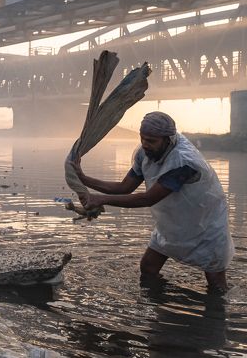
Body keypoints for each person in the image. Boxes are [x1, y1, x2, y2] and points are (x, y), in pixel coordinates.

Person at [73, 111, 234, 292]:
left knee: (216, 283)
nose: (145, 144)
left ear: (168, 140)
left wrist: (101, 199)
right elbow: (124, 187)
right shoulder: (145, 153)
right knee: (148, 267)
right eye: (142, 138)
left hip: (204, 226)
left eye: (151, 141)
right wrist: (84, 179)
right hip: (172, 224)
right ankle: (160, 302)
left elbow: (148, 198)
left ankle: (214, 310)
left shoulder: (184, 162)